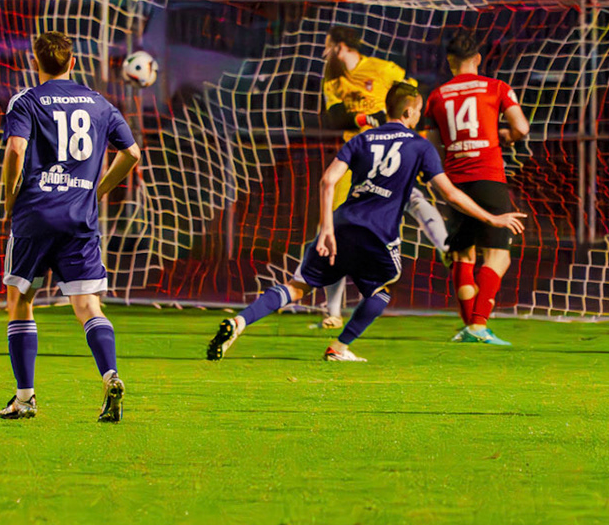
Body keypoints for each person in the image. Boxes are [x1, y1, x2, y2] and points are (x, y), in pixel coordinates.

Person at [207, 82, 525, 364]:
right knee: (381, 292)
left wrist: (326, 228)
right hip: (378, 234)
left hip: (341, 224)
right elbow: (451, 195)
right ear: (411, 111)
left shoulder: (362, 139)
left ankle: (240, 322)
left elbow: (328, 181)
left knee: (297, 287)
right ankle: (339, 347)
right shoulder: (420, 146)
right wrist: (492, 217)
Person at [0, 31, 143, 421]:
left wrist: (10, 197)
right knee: (86, 305)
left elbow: (15, 149)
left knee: (20, 301)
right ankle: (110, 375)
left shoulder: (26, 101)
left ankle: (25, 398)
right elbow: (131, 153)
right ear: (73, 62)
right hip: (79, 218)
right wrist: (97, 191)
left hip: (35, 215)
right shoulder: (100, 104)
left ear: (35, 62)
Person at [317, 25, 448, 328]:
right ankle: (333, 311)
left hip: (390, 153)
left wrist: (410, 127)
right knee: (336, 229)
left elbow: (411, 96)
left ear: (340, 46)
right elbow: (333, 116)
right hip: (357, 157)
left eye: (327, 46)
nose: (325, 53)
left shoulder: (383, 69)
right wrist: (362, 118)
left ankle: (446, 250)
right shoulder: (333, 80)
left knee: (414, 198)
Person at [424, 29, 530, 344]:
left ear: (450, 62)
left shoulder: (438, 95)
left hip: (455, 180)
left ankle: (469, 325)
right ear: (478, 59)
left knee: (462, 254)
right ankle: (479, 324)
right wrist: (506, 137)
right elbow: (521, 127)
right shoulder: (496, 87)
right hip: (488, 175)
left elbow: (433, 146)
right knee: (499, 254)